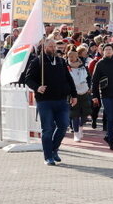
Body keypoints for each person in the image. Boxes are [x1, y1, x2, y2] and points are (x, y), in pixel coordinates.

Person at [24, 38, 78, 166]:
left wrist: (74, 94)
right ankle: (48, 156)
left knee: (64, 126)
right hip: (45, 101)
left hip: (61, 100)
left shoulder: (61, 61)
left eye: (54, 46)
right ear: (44, 47)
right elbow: (28, 79)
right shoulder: (37, 62)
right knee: (47, 129)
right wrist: (37, 87)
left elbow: (69, 79)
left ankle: (54, 149)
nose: (53, 48)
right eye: (50, 46)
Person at [66, 50, 92, 142]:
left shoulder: (83, 66)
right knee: (75, 114)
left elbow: (89, 77)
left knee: (85, 113)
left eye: (73, 56)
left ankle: (81, 126)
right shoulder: (66, 67)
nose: (72, 58)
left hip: (84, 91)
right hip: (73, 93)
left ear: (77, 56)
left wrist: (89, 87)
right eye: (70, 56)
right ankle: (76, 133)